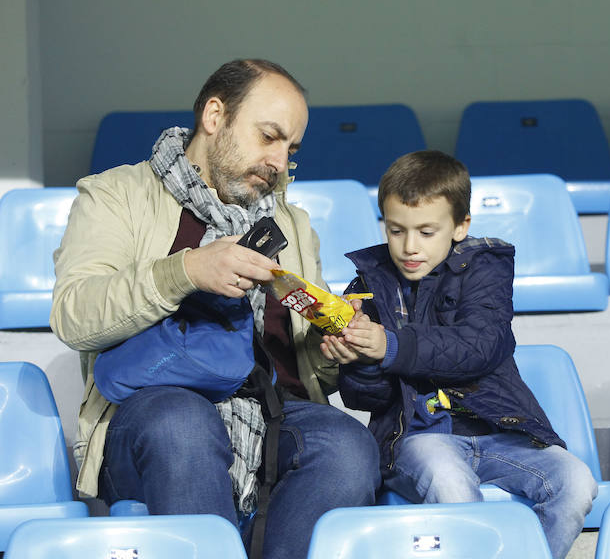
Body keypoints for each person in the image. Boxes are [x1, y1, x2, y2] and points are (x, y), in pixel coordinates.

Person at [50, 59, 381, 559]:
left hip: (275, 415)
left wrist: (336, 346)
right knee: (181, 423)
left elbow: (311, 369)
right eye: (268, 136)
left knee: (349, 448)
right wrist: (186, 272)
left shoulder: (291, 223)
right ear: (213, 115)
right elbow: (74, 315)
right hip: (150, 417)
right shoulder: (116, 194)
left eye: (290, 149)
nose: (278, 161)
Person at [320, 150, 597, 559]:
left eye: (427, 232)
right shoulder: (366, 284)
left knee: (576, 482)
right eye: (396, 231)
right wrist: (358, 361)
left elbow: (479, 347)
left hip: (502, 432)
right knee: (449, 480)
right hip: (418, 439)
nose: (409, 247)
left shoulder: (487, 268)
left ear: (460, 226)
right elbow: (367, 401)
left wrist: (389, 346)